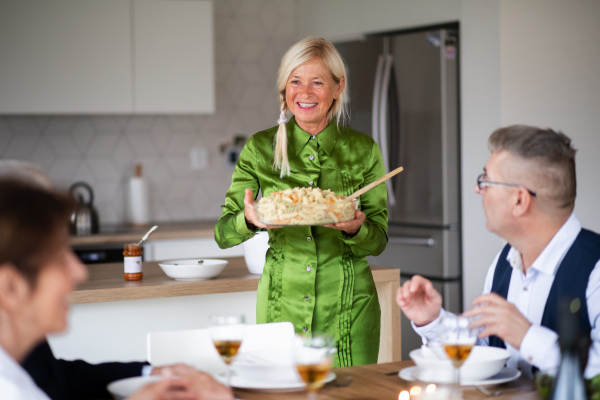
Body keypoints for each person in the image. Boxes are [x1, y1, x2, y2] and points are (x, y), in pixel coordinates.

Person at [214, 37, 389, 367]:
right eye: (296, 81)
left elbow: (378, 241)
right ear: (284, 89)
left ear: (338, 87)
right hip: (282, 307)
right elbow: (223, 234)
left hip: (349, 310)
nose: (305, 93)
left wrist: (357, 229)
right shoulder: (259, 148)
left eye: (317, 82)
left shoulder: (364, 150)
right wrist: (249, 220)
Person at [0, 178, 233, 400]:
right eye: (59, 258)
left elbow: (62, 378)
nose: (80, 272)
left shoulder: (22, 355)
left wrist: (150, 373)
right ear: (10, 287)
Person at [396, 125, 600, 378]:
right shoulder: (506, 260)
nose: (477, 189)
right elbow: (484, 353)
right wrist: (434, 321)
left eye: (486, 181)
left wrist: (526, 336)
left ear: (519, 200)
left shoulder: (596, 268)